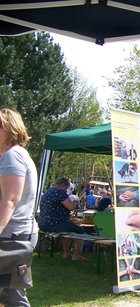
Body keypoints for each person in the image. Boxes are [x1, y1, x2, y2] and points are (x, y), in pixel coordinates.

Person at [0, 108, 38, 307]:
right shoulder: (16, 155)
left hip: (12, 237)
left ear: (8, 128)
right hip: (16, 234)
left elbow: (11, 199)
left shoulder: (12, 156)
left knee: (12, 298)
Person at [38, 177, 86, 261]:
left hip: (43, 223)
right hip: (54, 223)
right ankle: (76, 255)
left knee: (66, 230)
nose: (66, 191)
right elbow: (71, 207)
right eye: (66, 189)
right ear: (63, 185)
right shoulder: (60, 192)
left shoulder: (48, 191)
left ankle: (66, 254)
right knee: (80, 231)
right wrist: (77, 202)